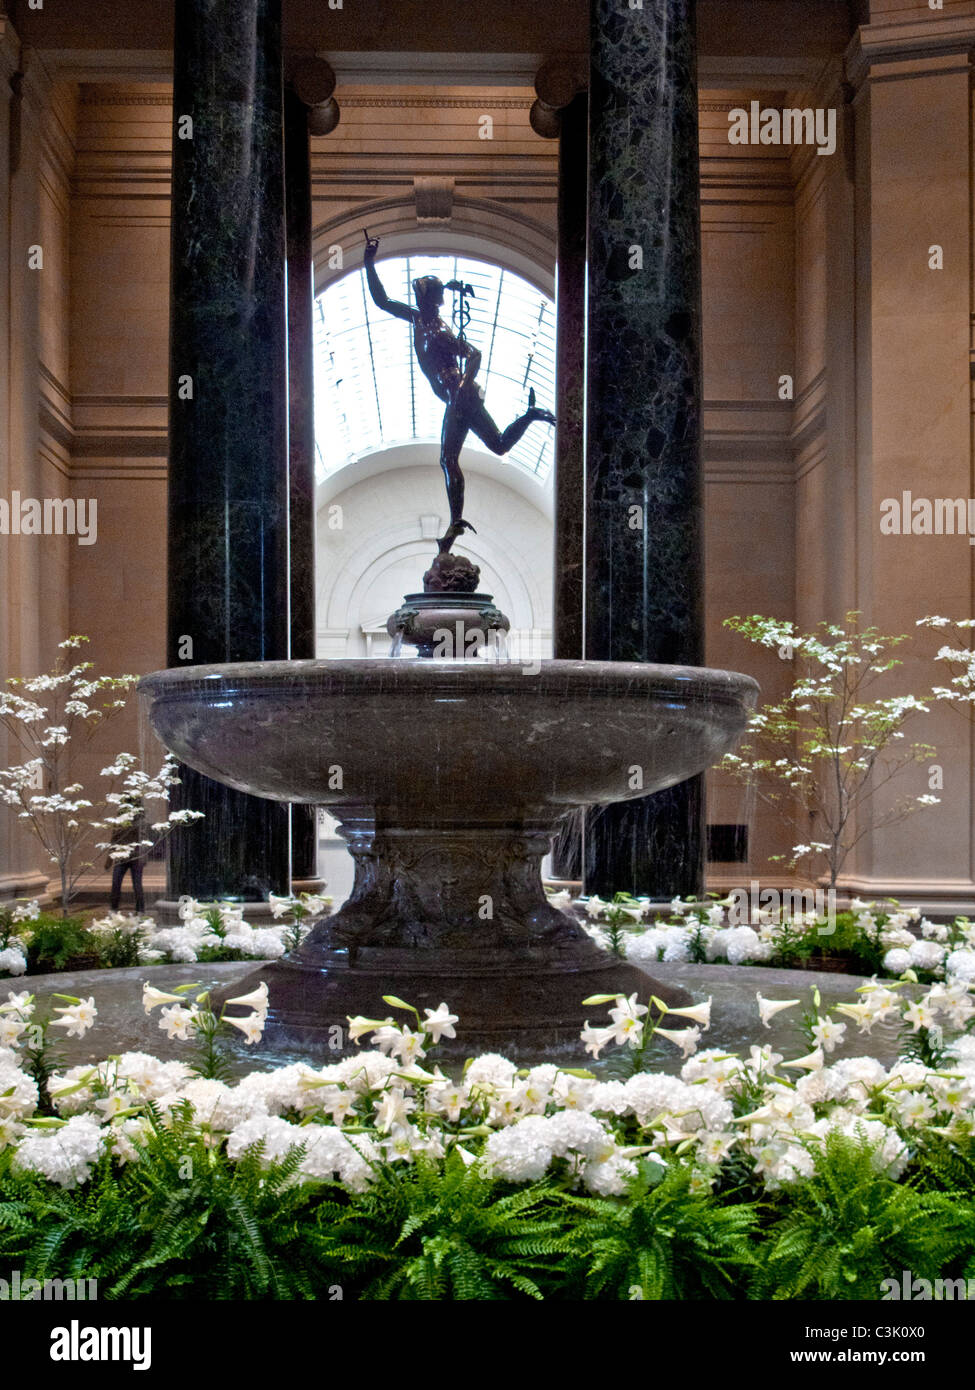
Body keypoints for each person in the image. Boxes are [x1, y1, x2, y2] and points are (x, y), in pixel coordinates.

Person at [362, 234, 555, 552]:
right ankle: (531, 415)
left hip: (459, 396)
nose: (420, 296)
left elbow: (475, 353)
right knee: (499, 445)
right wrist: (369, 261)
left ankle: (455, 523)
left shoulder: (439, 331)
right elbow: (381, 301)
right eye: (421, 292)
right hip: (461, 397)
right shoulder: (417, 320)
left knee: (447, 458)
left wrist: (464, 385)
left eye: (424, 292)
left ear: (431, 298)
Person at [106, 794, 150, 913]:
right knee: (116, 883)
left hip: (135, 856)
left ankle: (140, 910)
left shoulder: (140, 820)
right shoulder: (120, 819)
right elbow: (114, 838)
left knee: (136, 885)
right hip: (121, 856)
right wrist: (109, 859)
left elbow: (143, 839)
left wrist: (143, 857)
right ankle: (114, 908)